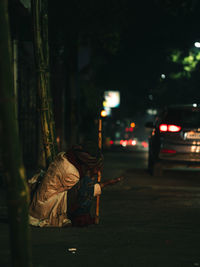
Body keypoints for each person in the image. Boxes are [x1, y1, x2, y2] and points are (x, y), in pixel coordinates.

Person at [28, 141, 104, 227]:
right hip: (45, 208)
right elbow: (81, 191)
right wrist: (93, 177)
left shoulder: (65, 156)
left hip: (41, 201)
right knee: (87, 187)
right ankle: (79, 218)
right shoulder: (71, 172)